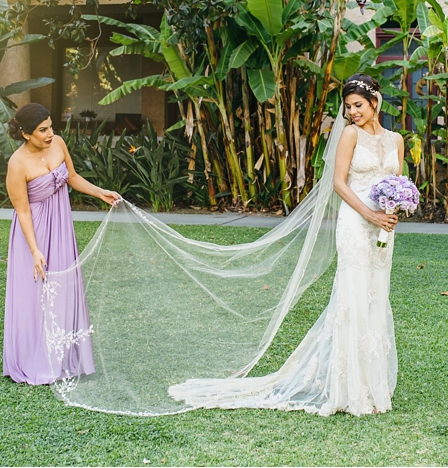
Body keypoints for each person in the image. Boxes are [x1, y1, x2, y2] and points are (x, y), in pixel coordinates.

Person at [170, 73, 403, 415]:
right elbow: (339, 183)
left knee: (376, 294)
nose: (352, 113)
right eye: (348, 107)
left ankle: (372, 384)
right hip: (356, 223)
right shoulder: (350, 135)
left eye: (359, 105)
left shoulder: (396, 139)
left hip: (383, 227)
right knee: (353, 296)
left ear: (375, 102)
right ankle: (350, 388)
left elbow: (398, 182)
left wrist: (394, 210)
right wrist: (370, 214)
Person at [2, 103, 120, 385]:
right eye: (43, 130)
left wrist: (99, 192)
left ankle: (66, 358)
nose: (50, 134)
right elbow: (23, 211)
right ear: (26, 133)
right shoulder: (16, 164)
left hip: (61, 227)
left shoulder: (59, 145)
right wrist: (34, 250)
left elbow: (73, 177)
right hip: (35, 233)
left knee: (64, 288)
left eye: (51, 126)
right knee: (36, 295)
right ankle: (37, 360)